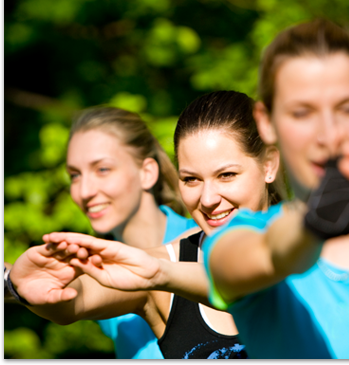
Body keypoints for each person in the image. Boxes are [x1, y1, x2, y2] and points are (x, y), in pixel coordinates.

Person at [200, 19, 349, 359]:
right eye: (302, 112)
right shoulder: (238, 238)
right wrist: (312, 224)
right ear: (266, 121)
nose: (329, 135)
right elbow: (269, 253)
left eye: (348, 109)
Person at [7, 91, 285, 359]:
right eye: (191, 179)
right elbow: (77, 298)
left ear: (269, 165)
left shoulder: (313, 246)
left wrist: (162, 274)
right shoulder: (163, 261)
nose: (208, 198)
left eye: (227, 175)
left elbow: (254, 280)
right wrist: (25, 286)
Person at [4, 107, 199, 359]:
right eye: (74, 175)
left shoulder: (203, 242)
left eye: (102, 169)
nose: (84, 191)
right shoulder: (95, 265)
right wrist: (11, 280)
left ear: (147, 173)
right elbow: (72, 298)